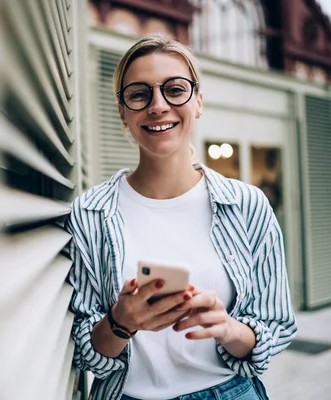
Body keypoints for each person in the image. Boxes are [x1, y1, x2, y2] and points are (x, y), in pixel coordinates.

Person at [66, 36, 296, 400]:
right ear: (122, 111)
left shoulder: (247, 205)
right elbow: (85, 353)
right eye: (139, 94)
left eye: (175, 89)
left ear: (198, 101)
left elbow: (276, 326)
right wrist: (120, 322)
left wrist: (227, 328)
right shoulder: (90, 213)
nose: (158, 106)